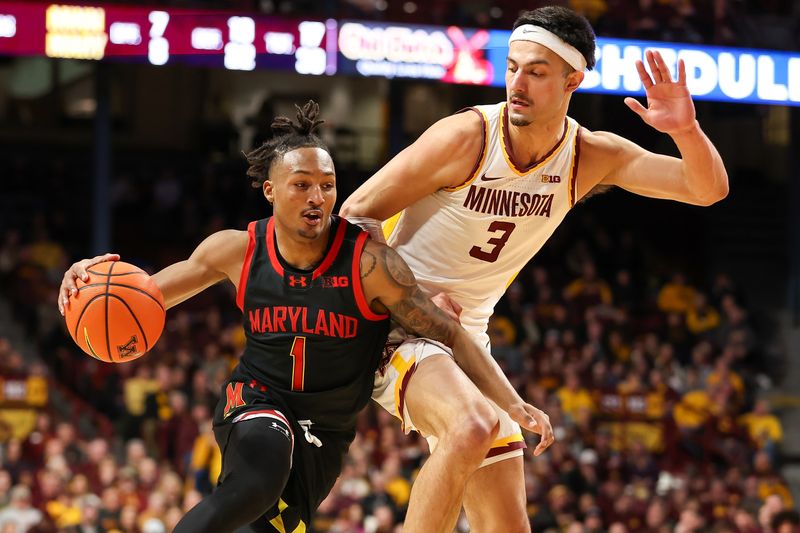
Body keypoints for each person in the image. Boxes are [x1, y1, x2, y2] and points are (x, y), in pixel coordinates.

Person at [57, 102, 551, 532]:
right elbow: (144, 296)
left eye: (327, 186)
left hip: (325, 430)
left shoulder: (369, 265)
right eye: (302, 185)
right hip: (257, 399)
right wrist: (86, 280)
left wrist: (512, 402)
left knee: (269, 517)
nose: (317, 197)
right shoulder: (236, 250)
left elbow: (453, 336)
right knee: (260, 471)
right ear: (270, 191)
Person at [340, 5, 728, 531]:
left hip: (464, 339)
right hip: (388, 319)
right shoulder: (465, 136)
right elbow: (354, 216)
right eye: (512, 67)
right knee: (472, 428)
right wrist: (408, 299)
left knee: (507, 524)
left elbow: (706, 190)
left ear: (574, 79)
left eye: (536, 72)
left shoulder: (589, 156)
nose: (517, 83)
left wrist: (687, 132)